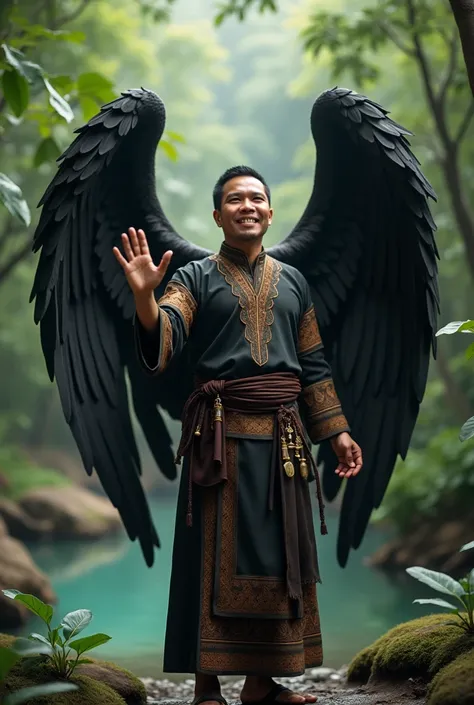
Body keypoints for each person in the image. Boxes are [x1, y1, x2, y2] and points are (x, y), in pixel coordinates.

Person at [113, 166, 363, 705]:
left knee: (280, 558)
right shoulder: (193, 278)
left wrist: (337, 432)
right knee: (210, 557)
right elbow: (165, 340)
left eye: (256, 198)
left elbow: (313, 365)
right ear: (217, 215)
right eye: (234, 199)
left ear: (271, 212)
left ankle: (261, 684)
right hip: (218, 440)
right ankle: (206, 687)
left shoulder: (295, 281)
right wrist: (144, 299)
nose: (246, 206)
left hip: (286, 439)